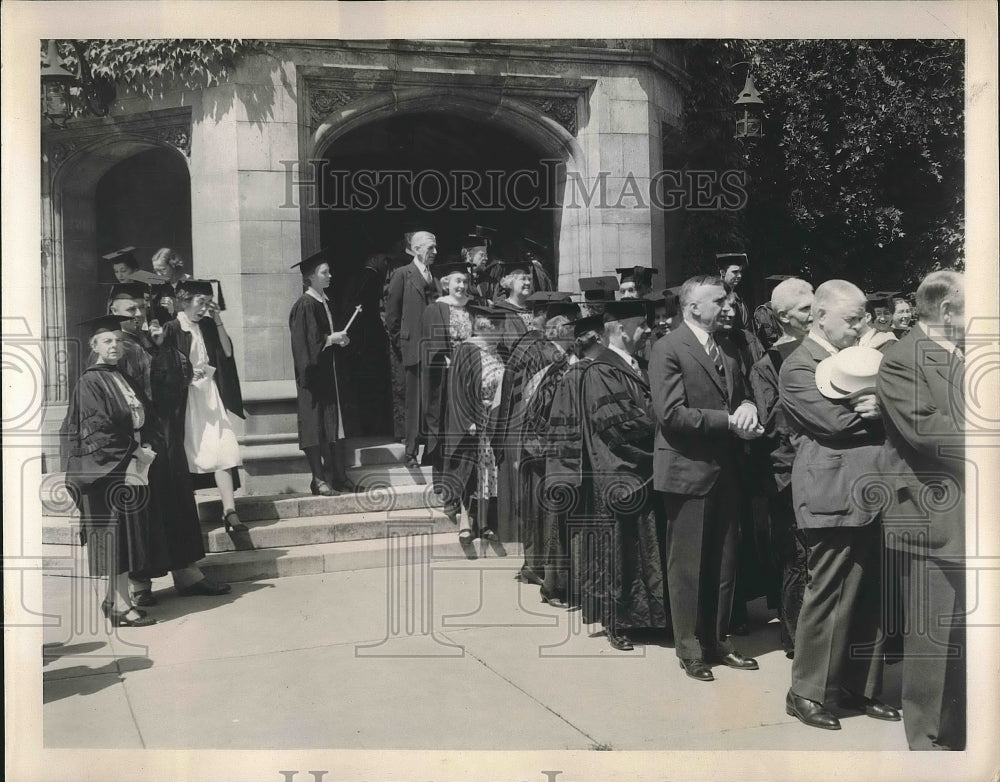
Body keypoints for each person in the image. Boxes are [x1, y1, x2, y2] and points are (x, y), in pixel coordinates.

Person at [780, 279, 899, 730]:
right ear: (821, 316)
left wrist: (880, 407)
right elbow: (835, 422)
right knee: (827, 592)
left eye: (864, 317)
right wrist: (884, 412)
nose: (860, 326)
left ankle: (859, 687)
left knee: (869, 593)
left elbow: (882, 409)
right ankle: (806, 691)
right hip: (831, 492)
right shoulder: (798, 365)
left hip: (872, 490)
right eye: (852, 319)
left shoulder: (856, 359)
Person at [649, 275, 762, 681]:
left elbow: (743, 391)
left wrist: (747, 407)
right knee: (688, 566)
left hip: (726, 471)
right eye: (718, 300)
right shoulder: (667, 348)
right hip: (687, 471)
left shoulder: (728, 347)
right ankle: (690, 648)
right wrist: (729, 421)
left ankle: (718, 639)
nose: (727, 306)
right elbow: (670, 414)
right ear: (693, 306)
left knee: (725, 563)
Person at [877, 270, 966, 750]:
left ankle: (956, 731)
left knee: (961, 630)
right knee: (930, 638)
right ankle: (925, 744)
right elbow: (925, 430)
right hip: (931, 517)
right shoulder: (901, 359)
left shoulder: (959, 354)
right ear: (947, 311)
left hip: (965, 514)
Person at [99, 285, 231, 601]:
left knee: (176, 506)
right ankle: (140, 585)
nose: (140, 314)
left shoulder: (149, 340)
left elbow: (180, 375)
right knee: (144, 514)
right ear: (114, 310)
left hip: (166, 438)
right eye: (130, 310)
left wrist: (161, 348)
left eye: (142, 308)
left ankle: (187, 575)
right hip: (139, 444)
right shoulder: (116, 347)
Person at [60, 315, 168, 627]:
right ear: (94, 346)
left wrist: (147, 445)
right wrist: (136, 450)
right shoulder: (91, 381)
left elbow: (142, 414)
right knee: (115, 536)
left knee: (124, 537)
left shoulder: (119, 376)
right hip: (106, 470)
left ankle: (114, 600)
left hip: (127, 465)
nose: (114, 346)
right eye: (107, 341)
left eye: (118, 341)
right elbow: (99, 429)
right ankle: (120, 607)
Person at [577, 299, 667, 651]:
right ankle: (619, 622)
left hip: (646, 466)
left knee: (647, 545)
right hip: (619, 469)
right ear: (620, 329)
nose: (648, 330)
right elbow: (619, 424)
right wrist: (666, 427)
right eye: (641, 324)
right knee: (620, 548)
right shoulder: (601, 370)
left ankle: (651, 618)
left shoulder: (640, 366)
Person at [748, 277, 814, 657]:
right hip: (786, 473)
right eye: (805, 310)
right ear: (783, 316)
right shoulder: (767, 364)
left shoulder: (828, 352)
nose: (812, 316)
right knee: (796, 558)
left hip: (823, 470)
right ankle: (795, 637)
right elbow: (770, 424)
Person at [160, 280, 247, 533]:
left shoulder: (208, 325)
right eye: (200, 303)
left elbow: (227, 353)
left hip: (210, 396)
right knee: (188, 453)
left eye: (207, 304)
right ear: (184, 301)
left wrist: (217, 318)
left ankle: (230, 510)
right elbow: (163, 367)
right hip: (185, 401)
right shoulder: (173, 327)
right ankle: (185, 517)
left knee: (222, 449)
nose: (203, 309)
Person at [514, 301, 578, 589]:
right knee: (541, 509)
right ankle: (536, 564)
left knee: (540, 508)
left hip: (539, 444)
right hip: (540, 445)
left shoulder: (557, 353)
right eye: (571, 325)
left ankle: (535, 563)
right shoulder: (547, 355)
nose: (575, 331)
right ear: (558, 328)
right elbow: (540, 404)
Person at [545, 314, 606, 610]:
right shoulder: (573, 376)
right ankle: (557, 588)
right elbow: (561, 425)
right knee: (568, 527)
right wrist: (565, 469)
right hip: (576, 465)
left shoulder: (596, 371)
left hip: (590, 464)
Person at [288, 250, 355, 496]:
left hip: (330, 376)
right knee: (314, 428)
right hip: (313, 380)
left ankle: (338, 476)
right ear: (310, 277)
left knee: (333, 427)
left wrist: (339, 340)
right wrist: (330, 339)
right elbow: (305, 344)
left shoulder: (324, 302)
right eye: (324, 273)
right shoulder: (304, 305)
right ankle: (318, 479)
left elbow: (324, 339)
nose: (330, 276)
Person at [443, 303, 507, 546]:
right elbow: (457, 390)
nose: (501, 333)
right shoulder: (467, 350)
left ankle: (484, 523)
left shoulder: (497, 351)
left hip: (494, 422)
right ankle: (465, 524)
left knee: (488, 474)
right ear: (487, 327)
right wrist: (467, 420)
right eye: (499, 329)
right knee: (470, 470)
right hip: (474, 420)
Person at [384, 231, 442, 468]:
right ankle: (410, 453)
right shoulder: (402, 274)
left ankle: (432, 451)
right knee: (413, 403)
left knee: (432, 401)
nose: (435, 252)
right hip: (412, 348)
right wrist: (401, 341)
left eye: (435, 248)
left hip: (434, 350)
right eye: (431, 248)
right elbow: (391, 315)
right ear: (417, 249)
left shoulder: (434, 276)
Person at [421, 262, 474, 521]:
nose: (462, 286)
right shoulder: (436, 309)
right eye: (457, 282)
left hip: (470, 376)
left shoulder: (472, 309)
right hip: (445, 379)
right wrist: (446, 360)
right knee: (444, 430)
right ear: (446, 284)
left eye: (464, 282)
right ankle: (444, 486)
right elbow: (430, 347)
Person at [150, 247, 193, 322]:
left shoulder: (189, 282)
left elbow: (193, 312)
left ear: (173, 265)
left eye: (163, 269)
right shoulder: (159, 285)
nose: (159, 275)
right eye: (156, 271)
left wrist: (173, 310)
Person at [716, 253, 751, 330]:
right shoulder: (715, 296)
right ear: (723, 272)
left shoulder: (738, 298)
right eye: (735, 272)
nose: (739, 276)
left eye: (740, 272)